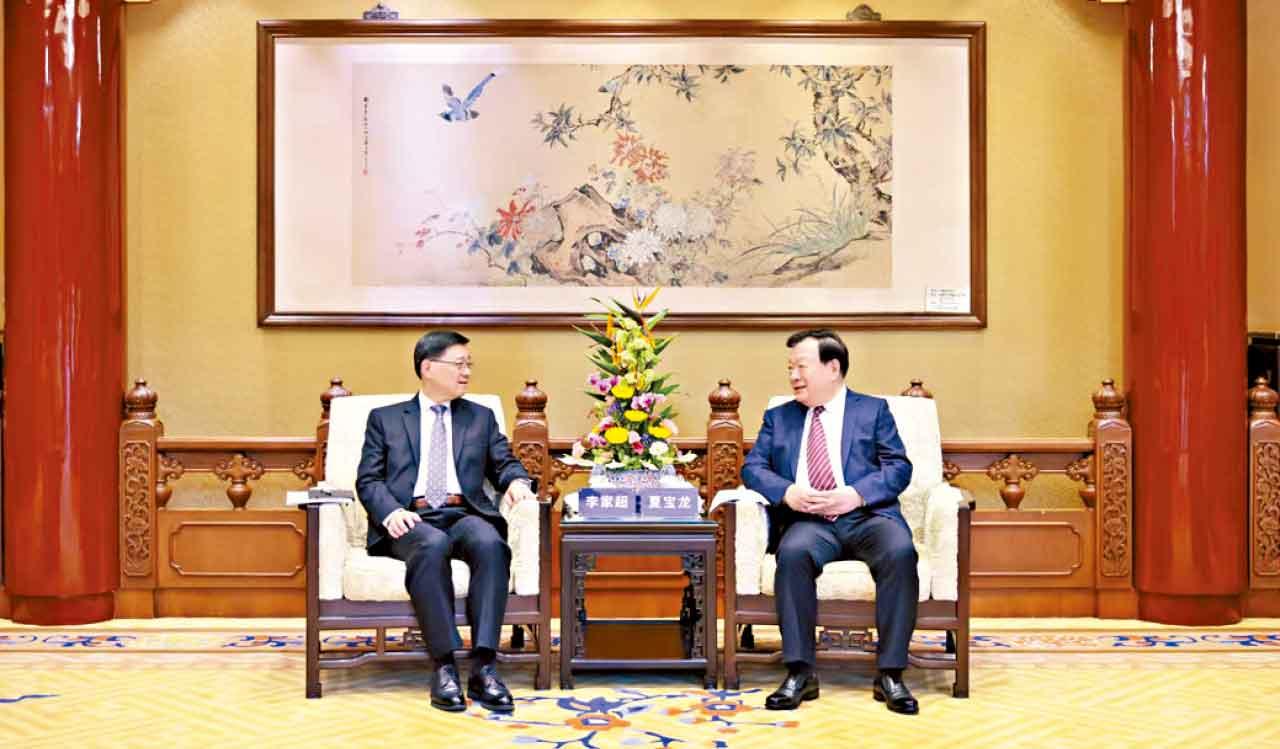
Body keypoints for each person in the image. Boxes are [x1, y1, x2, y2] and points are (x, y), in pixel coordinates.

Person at [356, 330, 536, 713]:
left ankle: (484, 666)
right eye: (459, 364)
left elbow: (503, 463)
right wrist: (391, 512)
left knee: (490, 543)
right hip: (410, 517)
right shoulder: (385, 419)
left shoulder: (480, 417)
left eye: (469, 364)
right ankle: (444, 666)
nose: (466, 372)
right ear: (427, 367)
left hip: (462, 513)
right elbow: (368, 480)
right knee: (431, 543)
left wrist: (517, 482)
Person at [742, 328, 920, 714]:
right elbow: (752, 468)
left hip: (868, 516)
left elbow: (899, 467)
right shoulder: (779, 417)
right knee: (793, 554)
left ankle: (891, 674)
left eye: (801, 366)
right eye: (790, 368)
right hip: (811, 522)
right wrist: (787, 491)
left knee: (900, 551)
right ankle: (800, 672)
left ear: (833, 367)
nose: (793, 376)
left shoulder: (872, 411)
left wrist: (856, 494)